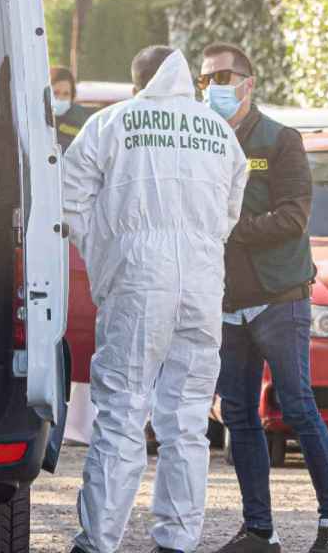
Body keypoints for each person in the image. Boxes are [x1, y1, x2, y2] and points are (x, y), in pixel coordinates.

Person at [63, 46, 247, 553]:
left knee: (122, 409)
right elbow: (229, 214)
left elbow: (69, 198)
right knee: (187, 420)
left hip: (140, 281)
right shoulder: (220, 134)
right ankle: (178, 541)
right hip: (203, 285)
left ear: (137, 81)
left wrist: (106, 256)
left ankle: (98, 540)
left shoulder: (112, 123)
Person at [203, 43, 328, 553]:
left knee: (298, 406)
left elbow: (293, 216)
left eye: (224, 75)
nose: (215, 86)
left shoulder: (280, 140)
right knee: (239, 415)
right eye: (206, 79)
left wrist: (232, 230)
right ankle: (259, 530)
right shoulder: (205, 140)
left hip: (278, 297)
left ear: (248, 81)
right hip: (227, 301)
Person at [51, 66, 94, 152]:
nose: (60, 98)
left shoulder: (81, 122)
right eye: (56, 93)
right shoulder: (34, 120)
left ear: (72, 97)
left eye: (66, 94)